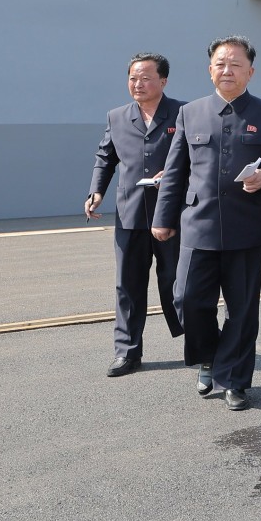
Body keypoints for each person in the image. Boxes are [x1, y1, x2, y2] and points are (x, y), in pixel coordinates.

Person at [152, 35, 261, 411]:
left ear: (251, 71)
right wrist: (163, 218)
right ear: (209, 69)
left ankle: (235, 380)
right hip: (197, 224)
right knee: (186, 298)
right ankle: (209, 356)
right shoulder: (190, 113)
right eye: (220, 62)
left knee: (242, 309)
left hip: (247, 228)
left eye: (235, 63)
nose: (226, 69)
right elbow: (176, 172)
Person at [86, 53, 185, 377]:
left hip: (170, 215)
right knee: (127, 286)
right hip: (129, 216)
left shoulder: (182, 113)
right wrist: (96, 191)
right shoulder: (117, 117)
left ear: (163, 81)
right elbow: (105, 157)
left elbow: (197, 157)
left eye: (145, 77)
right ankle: (127, 353)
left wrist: (170, 175)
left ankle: (197, 344)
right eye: (132, 78)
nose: (138, 84)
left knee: (178, 283)